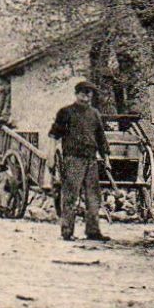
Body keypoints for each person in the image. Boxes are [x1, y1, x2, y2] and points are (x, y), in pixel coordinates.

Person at [50, 79, 110, 242]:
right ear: (76, 94)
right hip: (73, 160)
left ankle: (93, 231)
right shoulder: (66, 112)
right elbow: (54, 136)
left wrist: (106, 157)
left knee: (93, 197)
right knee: (70, 196)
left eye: (89, 92)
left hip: (91, 159)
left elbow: (101, 137)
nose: (86, 95)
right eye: (83, 92)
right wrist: (52, 158)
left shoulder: (95, 114)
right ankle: (67, 231)